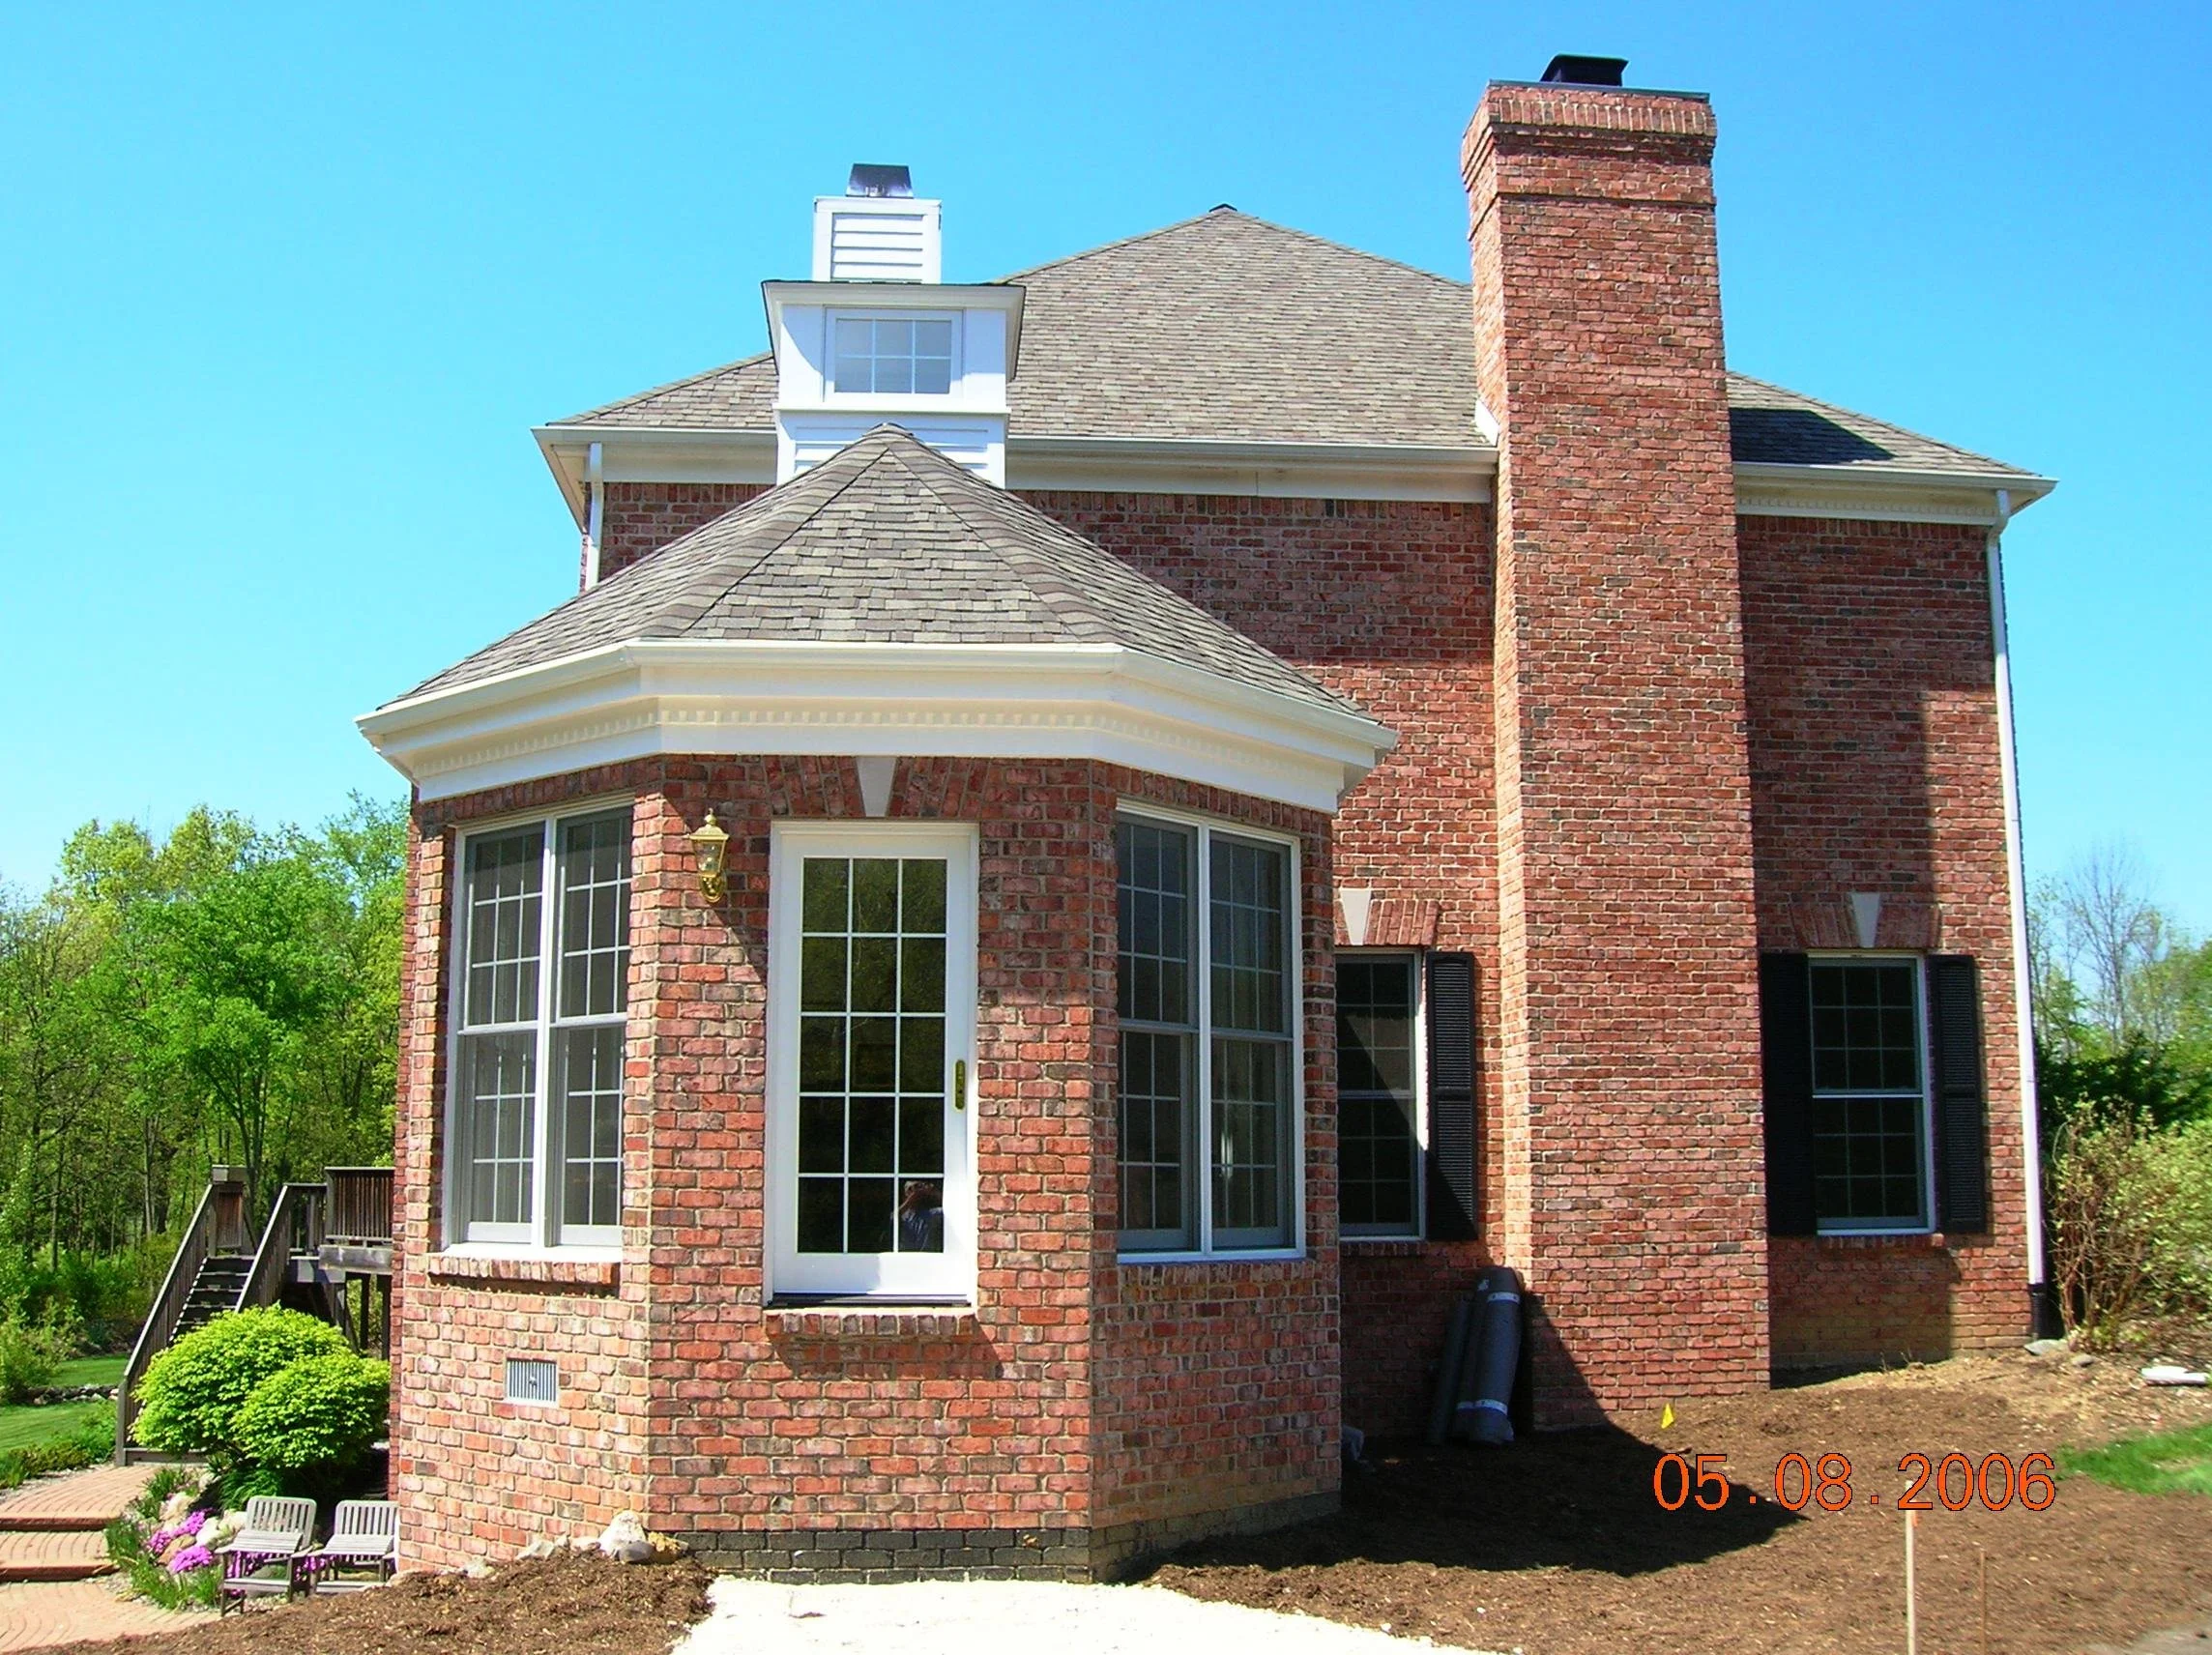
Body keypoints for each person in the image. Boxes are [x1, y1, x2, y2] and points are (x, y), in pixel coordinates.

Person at [898, 1179, 944, 1252]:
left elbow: (951, 1210)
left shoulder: (934, 1214)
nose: (915, 1191)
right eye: (910, 1189)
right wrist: (910, 1199)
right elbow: (891, 1219)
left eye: (918, 1187)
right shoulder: (902, 1216)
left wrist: (933, 1192)